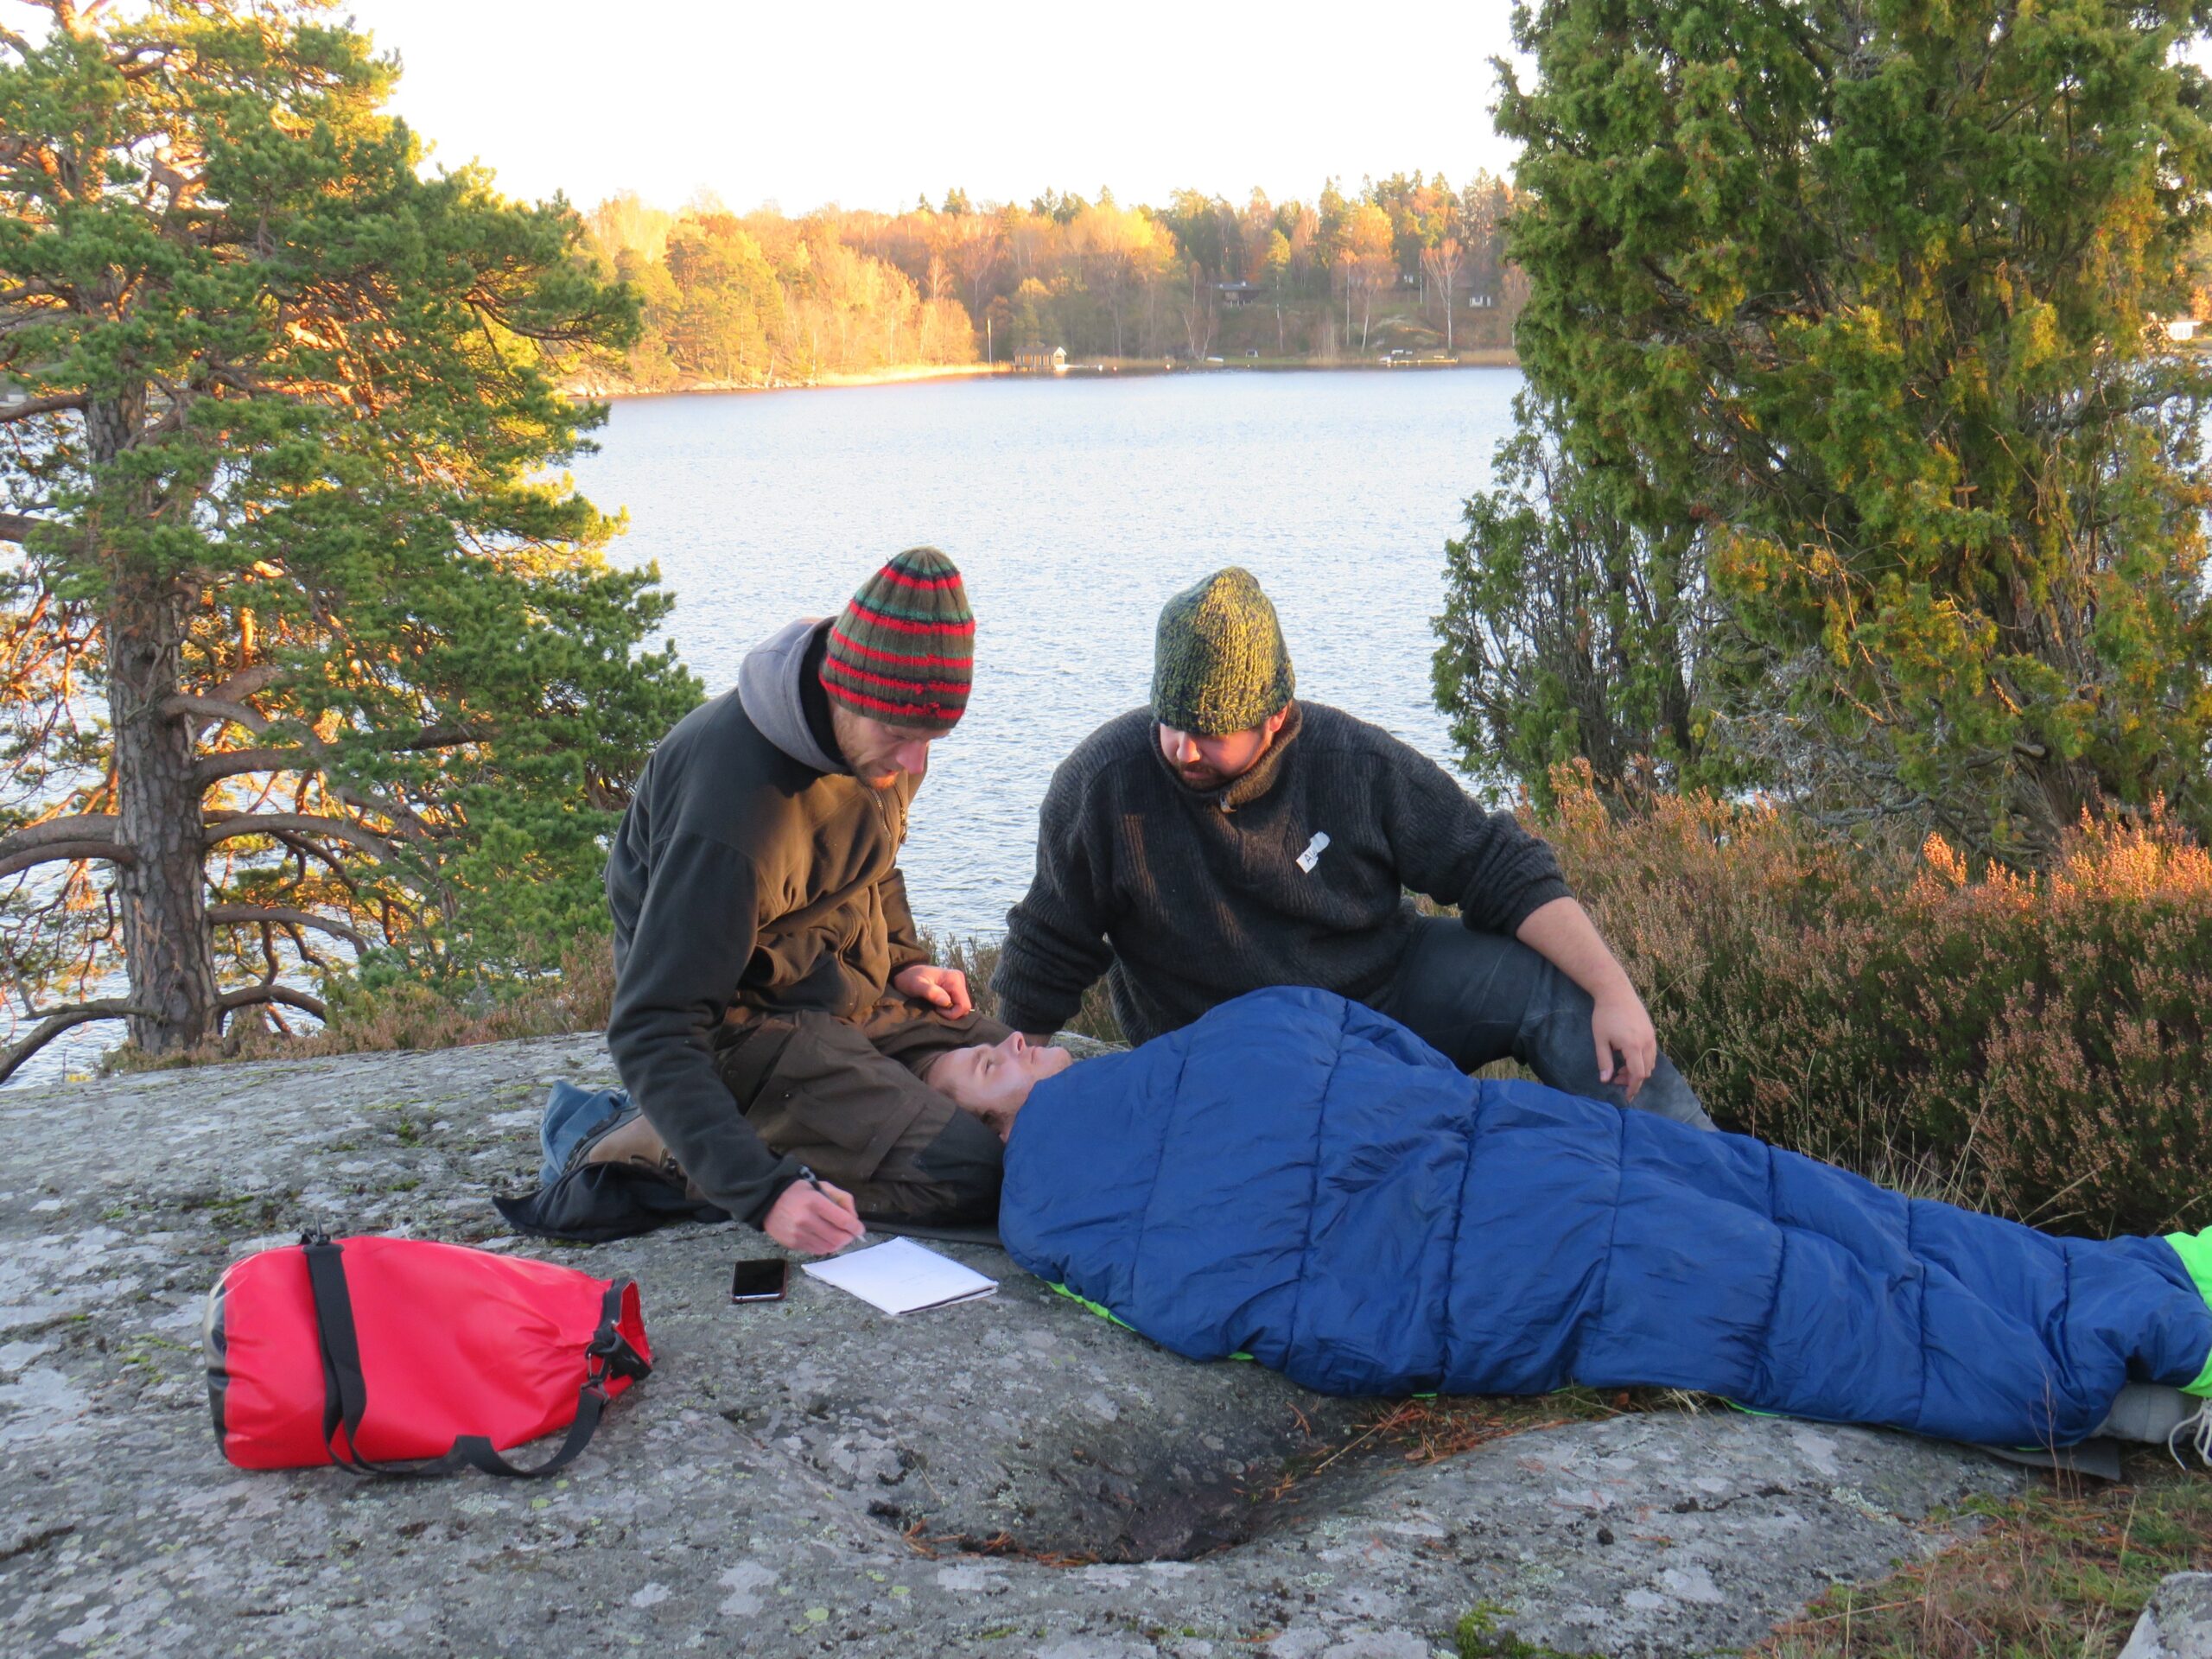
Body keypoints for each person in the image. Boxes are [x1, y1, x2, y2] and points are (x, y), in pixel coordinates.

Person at [930, 990, 2212, 1459]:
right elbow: (1201, 1297)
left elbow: (1353, 1044)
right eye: (981, 1071)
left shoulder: (1178, 1058)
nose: (1012, 1045)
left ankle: (2139, 1291)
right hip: (1487, 1246)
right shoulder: (1053, 1206)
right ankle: (2114, 1385)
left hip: (1508, 1151)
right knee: (1762, 1282)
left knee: (1791, 1195)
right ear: (981, 1136)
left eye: (997, 1039)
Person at [992, 567, 1716, 1131]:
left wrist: (1615, 991)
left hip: (1381, 1001)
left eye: (1210, 730)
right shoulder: (1102, 785)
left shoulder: (1351, 761)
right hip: (1221, 1054)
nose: (1183, 747)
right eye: (1170, 721)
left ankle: (1697, 1165)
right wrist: (1003, 1082)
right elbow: (1049, 948)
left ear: (1275, 718)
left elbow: (1499, 864)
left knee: (1545, 983)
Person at [598, 548, 1012, 1256]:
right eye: (902, 738)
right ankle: (677, 1151)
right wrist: (760, 1190)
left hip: (847, 998)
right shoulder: (732, 820)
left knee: (1047, 1095)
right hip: (746, 1026)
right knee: (974, 1173)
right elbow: (653, 1026)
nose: (914, 764)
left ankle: (847, 1106)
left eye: (933, 740)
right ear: (840, 690)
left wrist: (907, 962)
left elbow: (872, 858)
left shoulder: (879, 740)